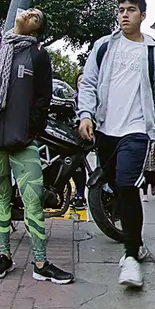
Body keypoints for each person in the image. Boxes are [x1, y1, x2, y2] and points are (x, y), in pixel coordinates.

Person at [0, 8, 74, 285]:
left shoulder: (38, 56)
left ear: (36, 30)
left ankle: (41, 263)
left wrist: (31, 130)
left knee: (33, 198)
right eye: (30, 11)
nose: (29, 14)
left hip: (22, 141)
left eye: (37, 17)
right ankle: (3, 255)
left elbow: (43, 97)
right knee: (1, 195)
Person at [78, 0, 155, 289]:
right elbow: (89, 82)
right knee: (115, 187)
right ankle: (137, 242)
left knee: (126, 186)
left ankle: (130, 257)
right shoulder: (104, 46)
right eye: (120, 10)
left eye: (131, 10)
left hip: (137, 130)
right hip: (105, 129)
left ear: (143, 15)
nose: (124, 15)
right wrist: (86, 114)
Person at [71, 73, 87, 211]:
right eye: (79, 80)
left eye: (84, 80)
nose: (81, 83)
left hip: (84, 136)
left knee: (79, 164)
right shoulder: (72, 98)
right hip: (73, 134)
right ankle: (77, 194)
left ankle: (80, 195)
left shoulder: (90, 99)